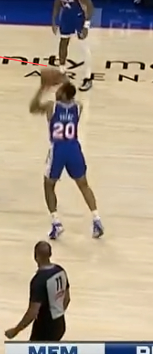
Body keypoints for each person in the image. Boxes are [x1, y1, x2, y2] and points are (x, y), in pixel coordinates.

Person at [29, 78, 103, 239]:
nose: (56, 92)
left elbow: (32, 108)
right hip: (74, 149)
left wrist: (42, 88)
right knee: (84, 185)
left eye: (59, 90)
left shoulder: (52, 107)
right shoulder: (78, 107)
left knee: (48, 185)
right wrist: (65, 84)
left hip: (58, 150)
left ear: (63, 94)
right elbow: (70, 96)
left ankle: (56, 223)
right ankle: (97, 219)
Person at [5, 241, 70, 342]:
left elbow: (32, 312)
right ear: (50, 254)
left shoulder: (39, 280)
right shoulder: (60, 271)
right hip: (60, 324)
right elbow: (67, 299)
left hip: (44, 328)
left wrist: (15, 330)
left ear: (35, 256)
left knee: (34, 352)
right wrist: (58, 314)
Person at [52, 0, 95, 92]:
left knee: (84, 47)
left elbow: (89, 5)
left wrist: (86, 25)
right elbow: (58, 1)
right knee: (63, 43)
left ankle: (88, 77)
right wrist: (54, 20)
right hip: (67, 15)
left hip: (79, 16)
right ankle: (62, 73)